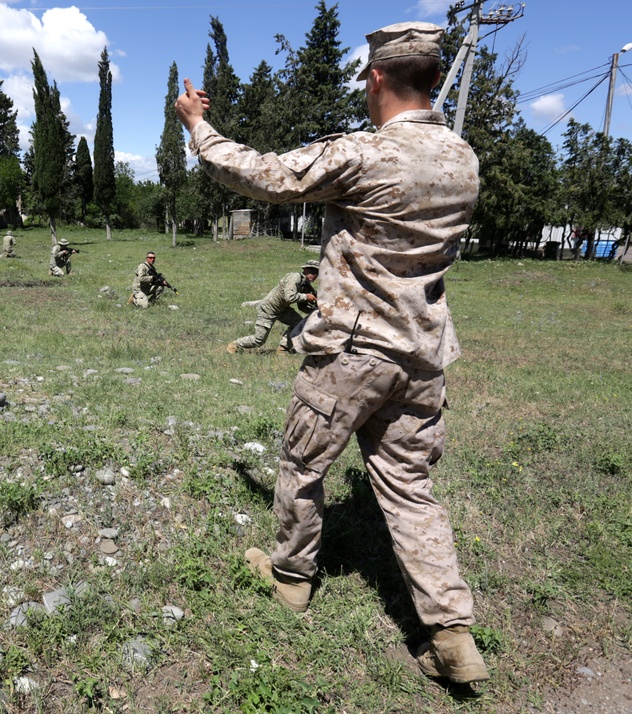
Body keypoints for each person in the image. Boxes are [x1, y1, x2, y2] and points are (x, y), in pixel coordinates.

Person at [175, 21, 489, 684]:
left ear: (377, 76)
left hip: (353, 350)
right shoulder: (463, 158)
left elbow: (262, 174)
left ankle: (292, 578)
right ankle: (451, 634)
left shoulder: (366, 154)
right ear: (434, 79)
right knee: (409, 487)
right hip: (424, 352)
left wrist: (197, 127)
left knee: (302, 464)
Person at [229, 261, 319, 354]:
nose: (314, 275)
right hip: (268, 309)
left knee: (298, 324)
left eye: (317, 273)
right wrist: (306, 297)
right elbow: (289, 297)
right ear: (305, 269)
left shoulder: (305, 285)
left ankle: (283, 348)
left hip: (282, 309)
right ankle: (235, 345)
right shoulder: (294, 277)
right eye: (312, 271)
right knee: (259, 340)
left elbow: (302, 307)